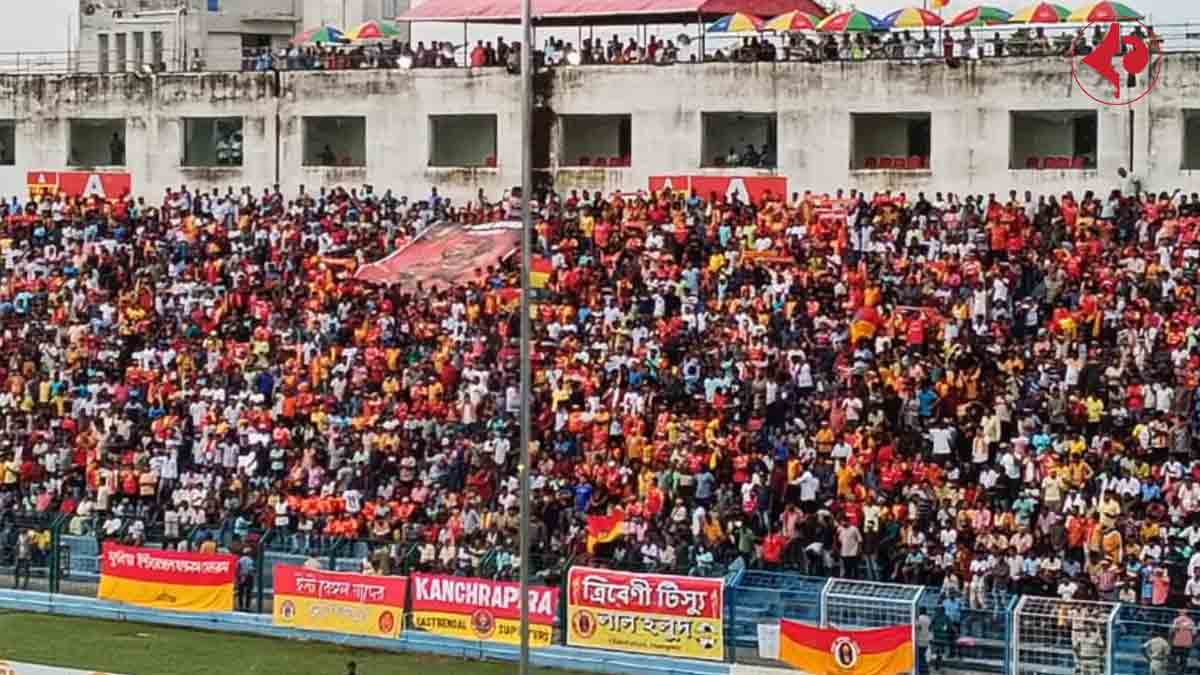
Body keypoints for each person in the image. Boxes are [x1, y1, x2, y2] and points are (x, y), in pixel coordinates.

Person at [1169, 610, 1194, 675]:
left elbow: (1172, 631)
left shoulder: (1176, 620)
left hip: (1177, 642)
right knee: (1184, 658)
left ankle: (1177, 670)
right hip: (1187, 643)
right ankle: (1182, 671)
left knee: (1176, 657)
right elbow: (1194, 633)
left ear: (1180, 613)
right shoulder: (1191, 621)